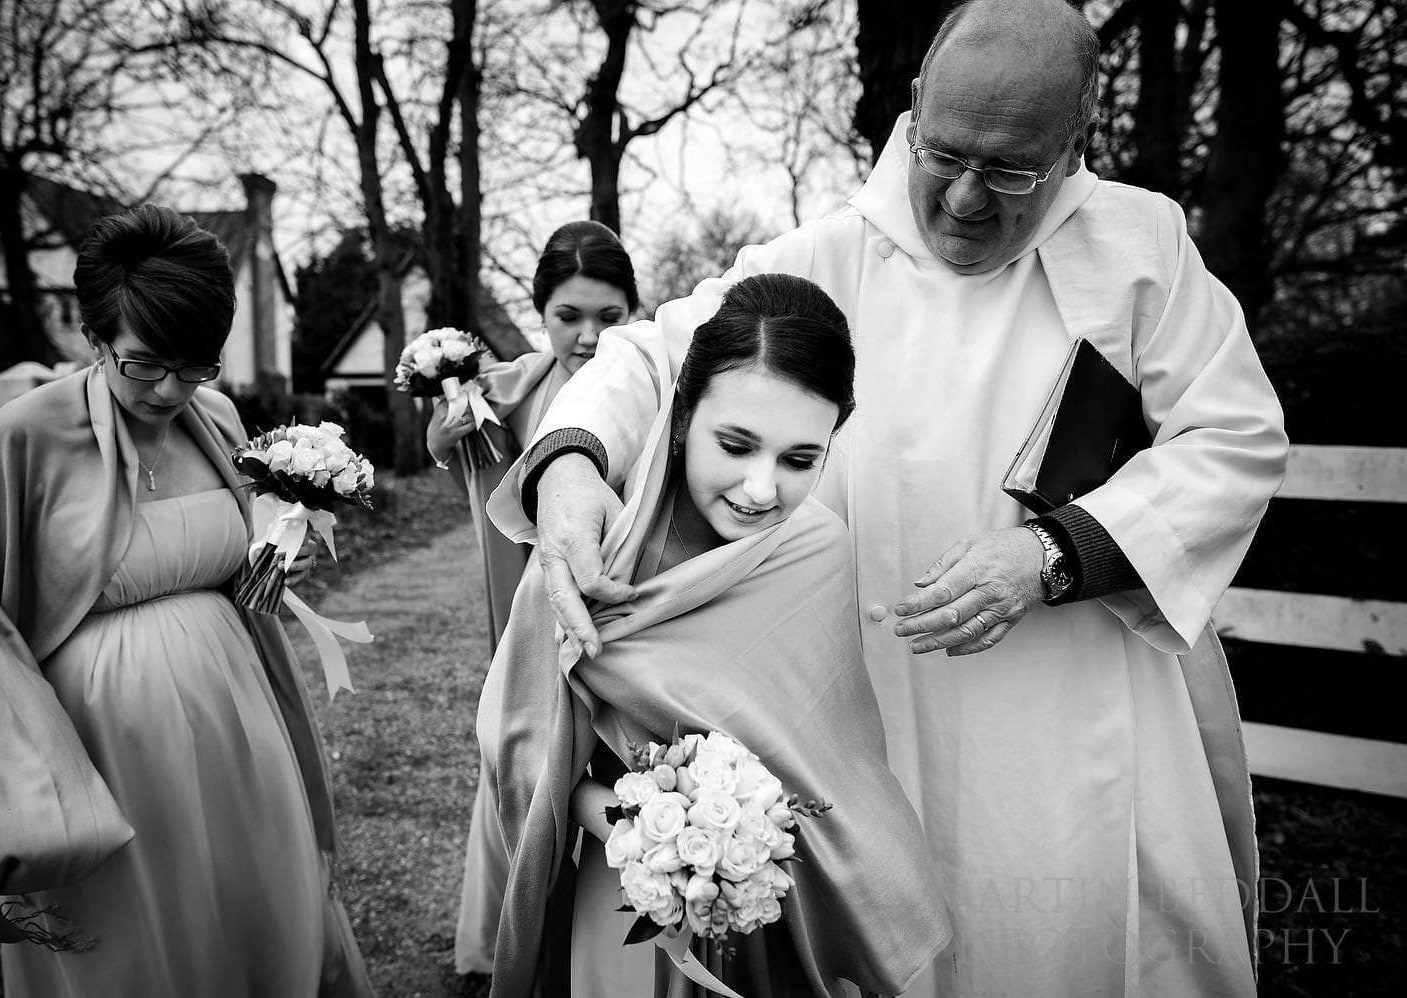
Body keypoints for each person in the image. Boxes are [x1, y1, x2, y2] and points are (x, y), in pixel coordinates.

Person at [502, 1, 1289, 995]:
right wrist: (572, 464)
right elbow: (651, 357)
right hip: (868, 707)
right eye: (943, 152)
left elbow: (1236, 437)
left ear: (1073, 142)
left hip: (1073, 712)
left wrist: (1054, 551)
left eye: (1009, 170)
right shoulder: (831, 254)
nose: (963, 199)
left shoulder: (1143, 250)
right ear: (913, 108)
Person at [0, 205, 372, 997]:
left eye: (196, 366)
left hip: (237, 721)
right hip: (103, 751)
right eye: (145, 364)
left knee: (257, 911)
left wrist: (281, 541)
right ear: (94, 339)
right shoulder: (22, 440)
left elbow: (239, 575)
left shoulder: (215, 418)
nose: (170, 389)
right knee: (139, 946)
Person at [481, 274, 950, 997]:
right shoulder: (596, 549)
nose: (762, 490)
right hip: (625, 899)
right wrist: (653, 837)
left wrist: (753, 846)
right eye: (736, 445)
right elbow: (525, 744)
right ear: (679, 419)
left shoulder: (817, 553)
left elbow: (835, 764)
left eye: (799, 460)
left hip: (771, 913)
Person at [439, 219, 641, 977]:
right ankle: (509, 937)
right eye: (568, 317)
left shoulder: (642, 388)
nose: (588, 338)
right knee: (521, 755)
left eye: (608, 317)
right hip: (525, 603)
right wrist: (449, 409)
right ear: (539, 312)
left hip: (610, 607)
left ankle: (597, 946)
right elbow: (443, 443)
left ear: (633, 311)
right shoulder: (514, 387)